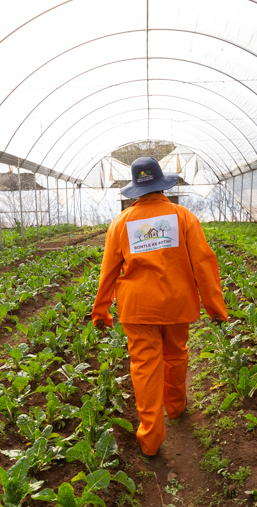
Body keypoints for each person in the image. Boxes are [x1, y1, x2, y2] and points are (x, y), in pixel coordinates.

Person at [92, 156, 228, 456]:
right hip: (177, 305)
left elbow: (109, 271)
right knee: (176, 355)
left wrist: (100, 311)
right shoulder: (182, 217)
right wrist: (215, 307)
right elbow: (204, 263)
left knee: (144, 368)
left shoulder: (121, 223)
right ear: (162, 186)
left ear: (135, 191)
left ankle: (151, 439)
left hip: (137, 309)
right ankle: (176, 408)